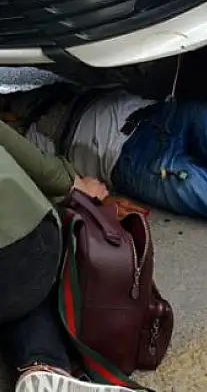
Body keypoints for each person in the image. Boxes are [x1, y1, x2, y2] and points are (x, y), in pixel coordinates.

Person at [0, 84, 207, 227]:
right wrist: (93, 197)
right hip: (135, 163)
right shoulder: (17, 154)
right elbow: (50, 193)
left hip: (164, 116)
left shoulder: (34, 95)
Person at [0, 117, 139, 392]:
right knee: (25, 288)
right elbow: (26, 156)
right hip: (25, 250)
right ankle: (42, 365)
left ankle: (42, 366)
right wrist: (73, 185)